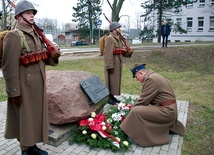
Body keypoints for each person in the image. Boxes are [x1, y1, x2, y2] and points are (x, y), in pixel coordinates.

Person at [1, 1, 60, 155]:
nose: (32, 15)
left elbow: (42, 58)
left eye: (33, 12)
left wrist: (53, 56)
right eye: (28, 13)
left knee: (34, 117)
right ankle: (25, 149)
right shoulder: (14, 36)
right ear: (19, 16)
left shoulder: (36, 34)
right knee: (25, 117)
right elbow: (8, 67)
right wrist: (14, 91)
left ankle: (32, 145)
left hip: (38, 84)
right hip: (24, 86)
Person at [120, 64, 185, 147]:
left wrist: (129, 110)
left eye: (136, 77)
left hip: (167, 111)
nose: (137, 80)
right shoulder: (154, 76)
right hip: (167, 109)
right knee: (140, 109)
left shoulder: (151, 80)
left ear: (141, 73)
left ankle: (124, 131)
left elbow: (143, 100)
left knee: (136, 111)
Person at [103, 22, 133, 105]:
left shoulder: (118, 38)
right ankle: (109, 97)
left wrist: (129, 53)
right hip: (112, 63)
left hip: (118, 62)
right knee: (111, 80)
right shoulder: (110, 38)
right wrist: (110, 66)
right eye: (118, 27)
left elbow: (121, 52)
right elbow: (108, 54)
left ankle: (112, 96)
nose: (119, 29)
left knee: (115, 81)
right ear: (113, 29)